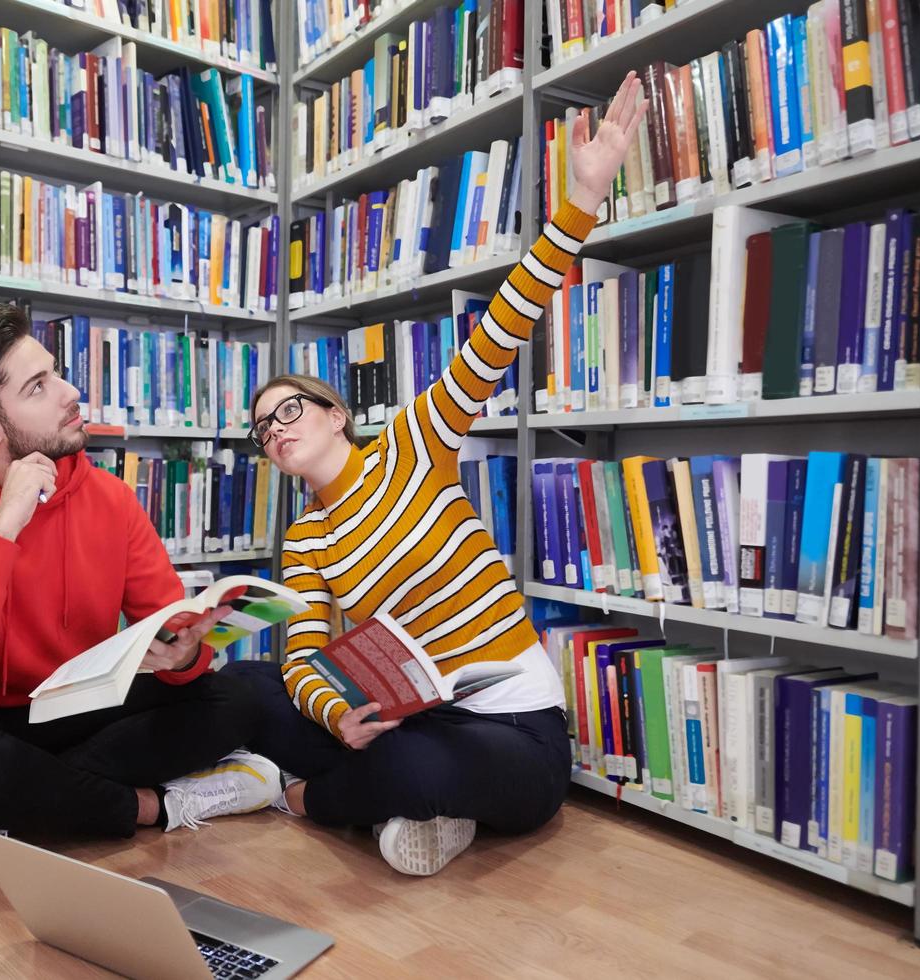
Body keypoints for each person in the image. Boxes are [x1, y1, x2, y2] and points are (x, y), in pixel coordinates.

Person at [223, 73, 648, 876]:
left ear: (335, 412)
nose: (272, 431)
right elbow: (306, 649)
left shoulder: (416, 442)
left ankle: (312, 799)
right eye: (259, 429)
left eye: (287, 412)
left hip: (509, 727)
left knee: (411, 772)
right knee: (248, 688)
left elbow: (501, 327)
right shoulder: (309, 537)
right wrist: (337, 711)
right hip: (410, 719)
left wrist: (580, 203)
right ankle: (401, 806)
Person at [0, 303, 282, 879]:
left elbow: (173, 626)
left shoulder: (110, 499)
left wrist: (185, 653)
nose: (71, 391)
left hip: (72, 704)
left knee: (241, 694)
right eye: (39, 386)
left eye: (56, 372)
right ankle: (152, 806)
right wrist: (3, 530)